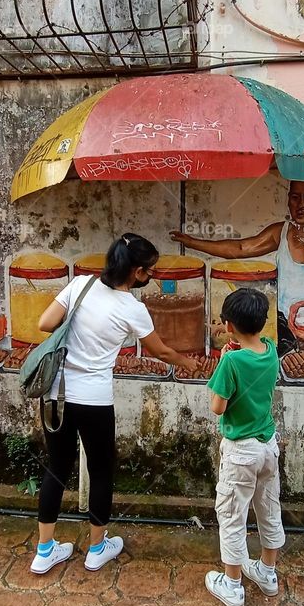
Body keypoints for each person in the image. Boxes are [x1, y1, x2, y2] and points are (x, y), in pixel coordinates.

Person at [30, 233, 199, 574]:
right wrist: (189, 364)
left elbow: (44, 323)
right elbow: (161, 351)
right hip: (93, 401)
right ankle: (96, 548)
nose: (151, 276)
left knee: (56, 469)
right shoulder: (133, 309)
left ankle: (45, 550)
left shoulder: (80, 285)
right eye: (149, 270)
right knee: (101, 470)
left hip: (56, 395)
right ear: (136, 271)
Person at [171, 181, 304, 355]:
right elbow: (241, 248)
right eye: (295, 198)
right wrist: (193, 243)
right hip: (283, 329)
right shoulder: (281, 232)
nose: (301, 204)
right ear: (288, 201)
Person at [204, 288, 284, 606]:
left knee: (232, 515)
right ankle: (267, 573)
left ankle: (233, 585)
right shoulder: (270, 350)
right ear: (263, 325)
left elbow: (217, 407)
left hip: (240, 451)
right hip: (268, 446)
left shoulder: (231, 361)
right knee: (268, 507)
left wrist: (223, 362)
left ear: (229, 326)